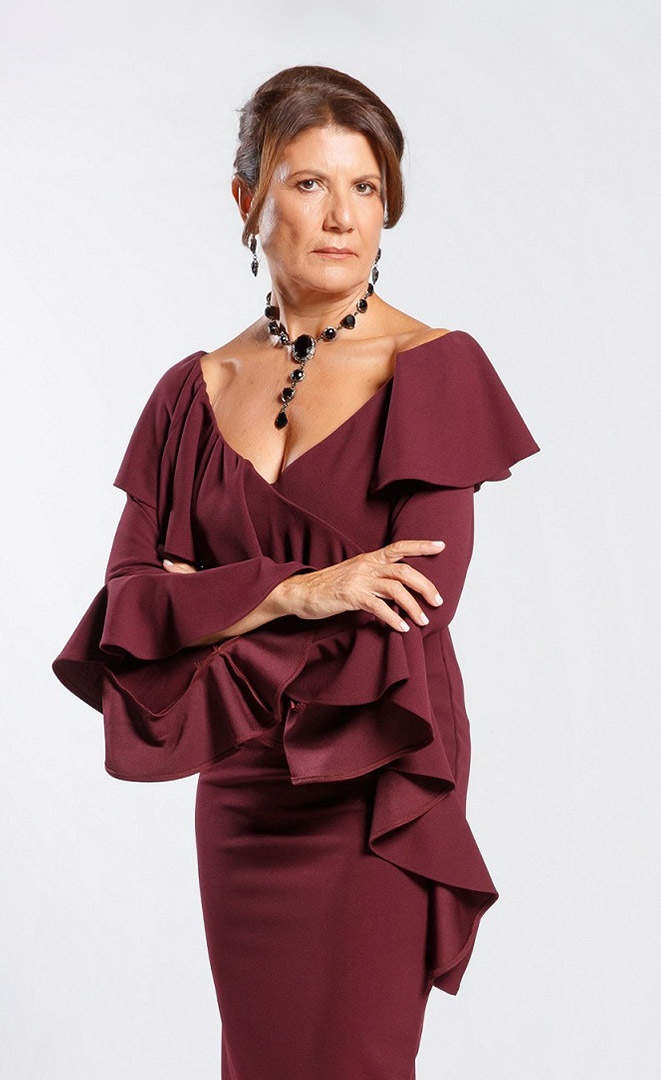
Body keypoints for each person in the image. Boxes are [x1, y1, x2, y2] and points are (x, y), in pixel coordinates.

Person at [53, 64, 540, 1080]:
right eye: (310, 183)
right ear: (248, 199)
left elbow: (415, 605)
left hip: (374, 780)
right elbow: (129, 610)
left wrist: (209, 602)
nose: (343, 216)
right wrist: (298, 589)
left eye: (366, 187)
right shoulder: (188, 394)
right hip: (240, 792)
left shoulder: (433, 367)